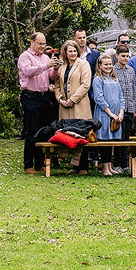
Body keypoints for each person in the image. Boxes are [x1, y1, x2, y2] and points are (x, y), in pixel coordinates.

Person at [18, 32, 61, 174]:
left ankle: (40, 163)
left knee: (43, 131)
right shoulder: (25, 56)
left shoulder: (45, 57)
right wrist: (47, 65)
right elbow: (28, 71)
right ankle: (28, 165)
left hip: (44, 97)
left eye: (44, 43)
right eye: (40, 43)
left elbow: (52, 77)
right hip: (30, 96)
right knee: (31, 130)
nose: (42, 46)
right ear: (32, 42)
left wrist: (55, 68)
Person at [52, 39, 92, 174]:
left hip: (79, 105)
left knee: (81, 134)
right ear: (65, 52)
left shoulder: (84, 64)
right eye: (70, 51)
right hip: (64, 106)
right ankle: (74, 166)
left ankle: (83, 166)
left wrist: (73, 100)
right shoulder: (62, 66)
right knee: (68, 134)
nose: (73, 53)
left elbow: (85, 84)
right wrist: (60, 99)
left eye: (75, 50)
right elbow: (57, 85)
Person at [90, 53, 125, 176]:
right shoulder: (98, 79)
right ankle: (104, 168)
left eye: (110, 64)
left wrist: (121, 112)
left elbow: (121, 96)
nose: (108, 66)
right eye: (105, 64)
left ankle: (109, 166)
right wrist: (110, 114)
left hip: (116, 115)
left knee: (111, 141)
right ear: (100, 65)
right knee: (105, 140)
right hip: (104, 114)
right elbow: (98, 98)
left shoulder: (114, 79)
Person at [112, 45, 136, 172]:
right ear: (117, 56)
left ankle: (125, 164)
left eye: (127, 56)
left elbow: (133, 89)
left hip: (129, 107)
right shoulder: (112, 70)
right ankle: (116, 163)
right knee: (118, 136)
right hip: (117, 109)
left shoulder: (131, 70)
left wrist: (134, 108)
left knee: (126, 136)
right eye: (123, 56)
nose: (125, 58)